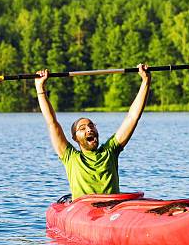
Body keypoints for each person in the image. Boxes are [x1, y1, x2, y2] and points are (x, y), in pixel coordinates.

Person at [35, 64, 151, 201]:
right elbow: (52, 123)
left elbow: (132, 117)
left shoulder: (110, 151)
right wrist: (40, 88)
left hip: (112, 210)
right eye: (82, 128)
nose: (89, 129)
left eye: (91, 126)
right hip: (84, 212)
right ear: (75, 138)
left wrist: (145, 81)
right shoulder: (70, 157)